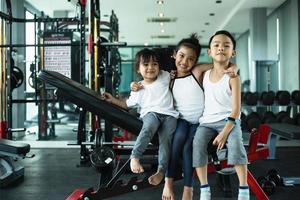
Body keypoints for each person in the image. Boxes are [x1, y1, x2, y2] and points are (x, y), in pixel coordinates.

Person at [131, 34, 238, 200]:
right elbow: (149, 80)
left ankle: (189, 189)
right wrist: (134, 85)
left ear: (195, 61)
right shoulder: (169, 77)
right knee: (176, 142)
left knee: (189, 147)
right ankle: (168, 183)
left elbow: (221, 65)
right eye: (181, 56)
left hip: (200, 122)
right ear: (174, 55)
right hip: (180, 120)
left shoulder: (196, 71)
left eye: (190, 59)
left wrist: (234, 67)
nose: (184, 62)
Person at [102, 48, 179, 186]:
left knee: (166, 141)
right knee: (148, 127)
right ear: (138, 69)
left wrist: (175, 62)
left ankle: (161, 171)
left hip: (170, 115)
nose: (151, 67)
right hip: (151, 114)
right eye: (146, 64)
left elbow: (178, 73)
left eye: (154, 64)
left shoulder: (165, 76)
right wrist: (112, 100)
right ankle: (135, 157)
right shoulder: (138, 88)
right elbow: (126, 104)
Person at [193, 30, 249, 200]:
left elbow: (236, 110)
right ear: (209, 51)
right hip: (207, 122)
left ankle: (244, 188)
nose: (221, 48)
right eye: (216, 45)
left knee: (236, 144)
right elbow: (196, 67)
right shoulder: (204, 75)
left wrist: (224, 132)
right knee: (197, 144)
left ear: (233, 52)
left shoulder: (234, 78)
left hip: (229, 121)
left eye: (226, 46)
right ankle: (204, 188)